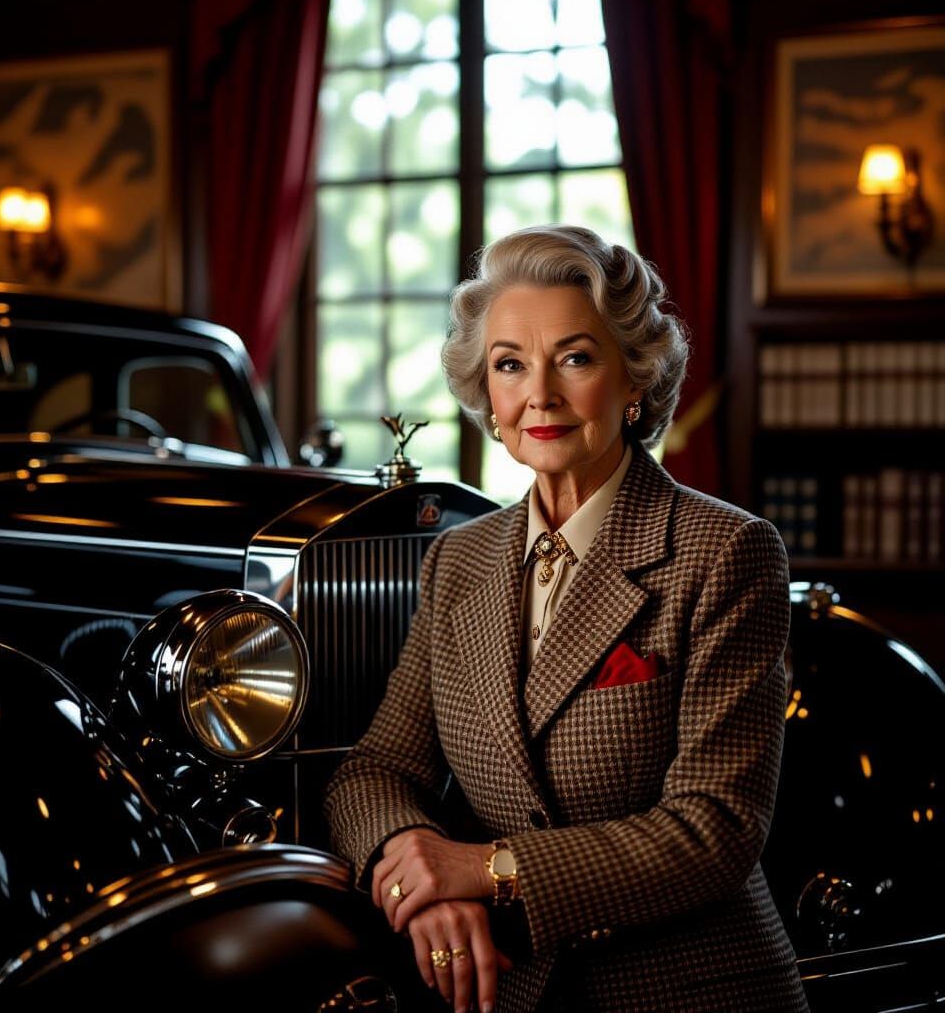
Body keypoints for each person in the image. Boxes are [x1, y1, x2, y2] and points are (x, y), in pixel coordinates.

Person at [324, 225, 808, 1013]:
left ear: (634, 381)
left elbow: (714, 831)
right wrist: (419, 876)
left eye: (575, 358)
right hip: (501, 991)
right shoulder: (458, 560)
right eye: (510, 364)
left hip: (685, 994)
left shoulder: (727, 551)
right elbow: (374, 771)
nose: (538, 394)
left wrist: (482, 870)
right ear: (488, 393)